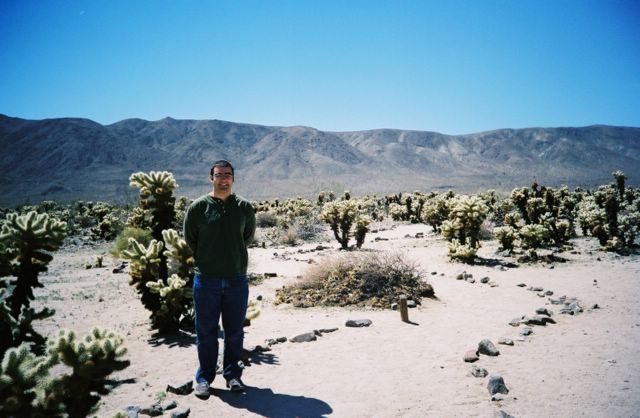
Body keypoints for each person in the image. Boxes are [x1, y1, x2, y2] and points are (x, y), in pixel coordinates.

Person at [183, 160, 256, 398]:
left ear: (233, 178)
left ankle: (233, 375)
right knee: (206, 331)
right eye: (218, 175)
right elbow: (191, 240)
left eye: (227, 175)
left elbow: (247, 237)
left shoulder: (244, 207)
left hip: (236, 278)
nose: (223, 179)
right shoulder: (197, 208)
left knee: (235, 331)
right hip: (206, 280)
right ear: (211, 178)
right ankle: (204, 378)